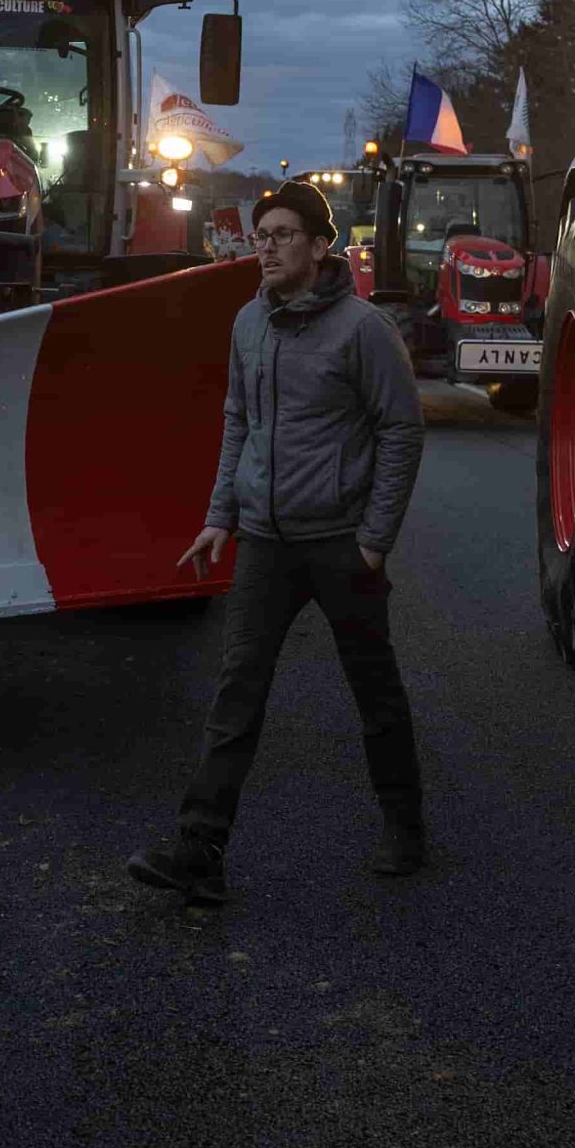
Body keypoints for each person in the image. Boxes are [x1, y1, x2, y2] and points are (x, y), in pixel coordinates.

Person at [127, 180, 427, 906]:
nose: (266, 246)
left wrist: (374, 541)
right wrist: (219, 514)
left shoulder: (363, 329)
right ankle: (200, 848)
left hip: (339, 542)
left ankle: (404, 824)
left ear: (322, 247)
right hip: (263, 538)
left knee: (373, 689)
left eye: (283, 234)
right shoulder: (247, 326)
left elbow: (401, 430)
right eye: (260, 235)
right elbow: (239, 421)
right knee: (238, 692)